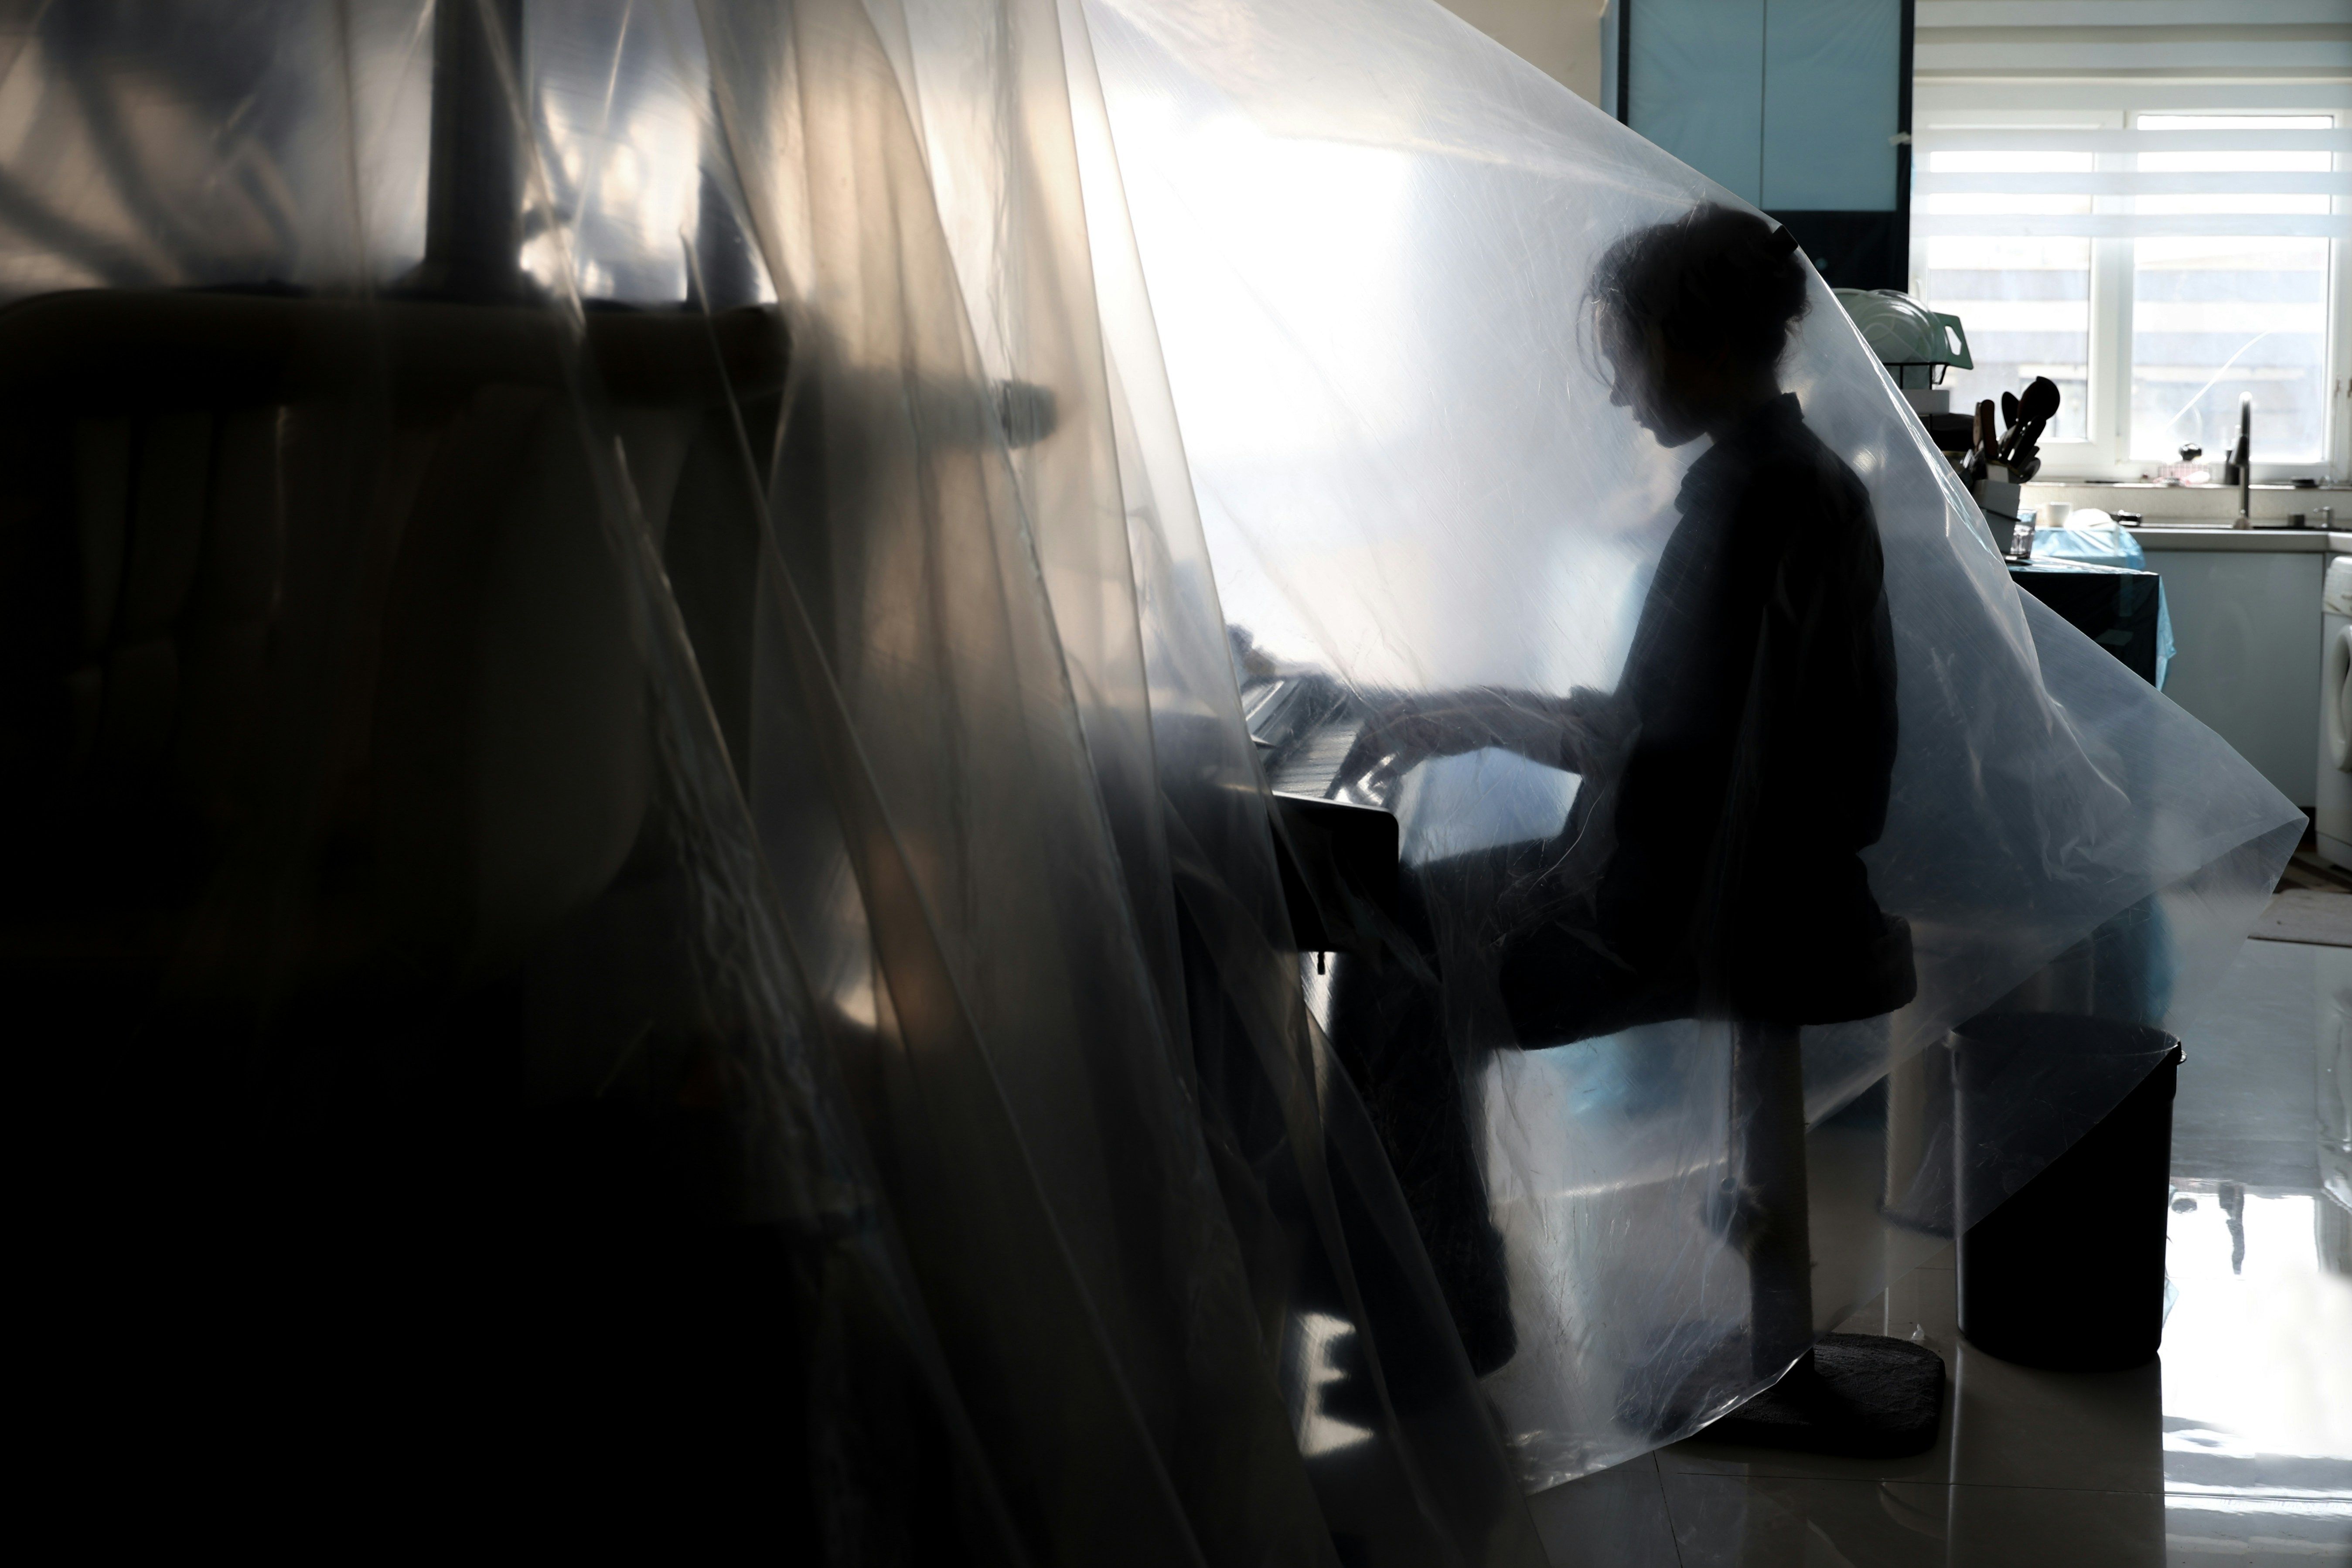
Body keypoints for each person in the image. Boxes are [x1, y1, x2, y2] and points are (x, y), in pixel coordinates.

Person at [1322, 203, 1914, 1381]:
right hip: (1748, 876)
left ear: (1694, 347)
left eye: (1627, 358)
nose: (1617, 396)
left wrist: (1461, 718)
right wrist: (1457, 715)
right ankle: (1418, 1289)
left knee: (1385, 942)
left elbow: (1645, 748)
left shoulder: (1751, 504)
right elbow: (1668, 735)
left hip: (1704, 904)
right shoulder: (1785, 483)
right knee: (1393, 918)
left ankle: (1431, 1312)